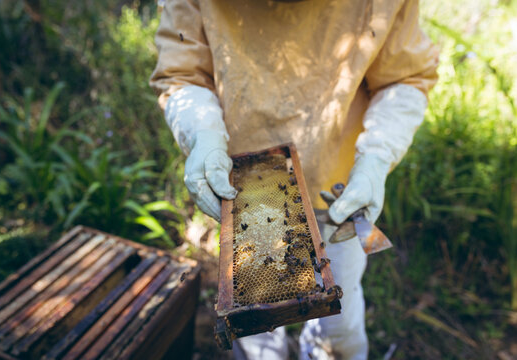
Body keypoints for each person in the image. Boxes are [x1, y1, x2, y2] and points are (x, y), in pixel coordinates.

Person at [150, 0, 438, 358]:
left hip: (340, 189)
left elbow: (404, 77)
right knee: (257, 330)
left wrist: (376, 158)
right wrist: (202, 133)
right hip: (252, 190)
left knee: (340, 329)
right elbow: (182, 72)